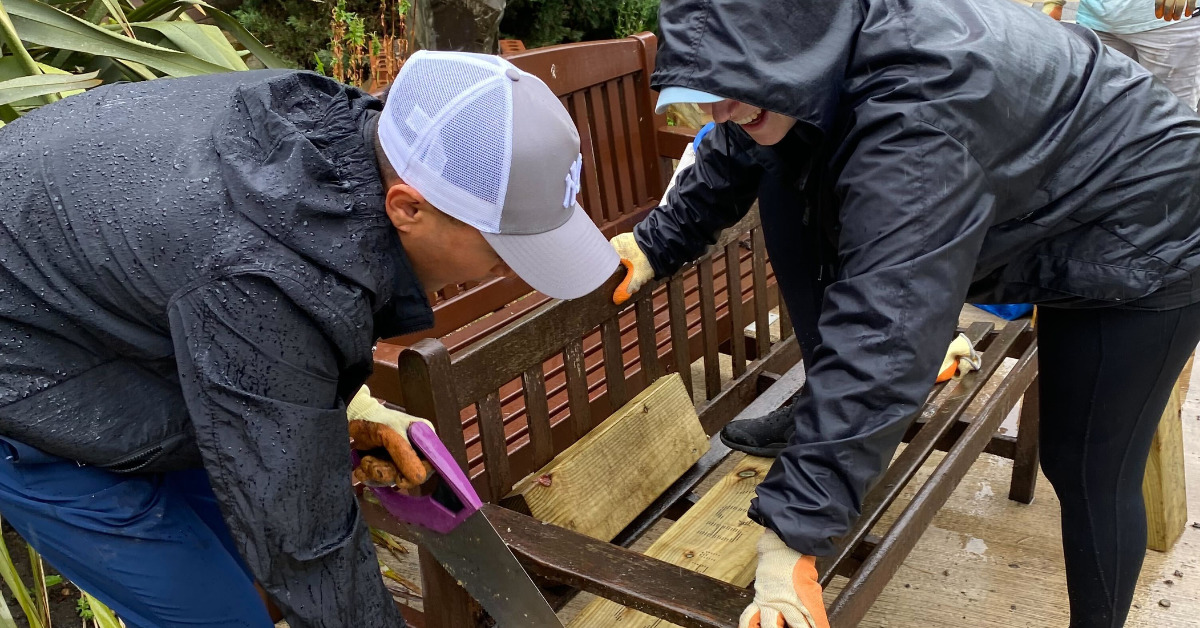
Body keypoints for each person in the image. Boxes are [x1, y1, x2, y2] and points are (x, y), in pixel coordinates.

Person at [610, 0, 1200, 626]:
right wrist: (657, 242)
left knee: (1086, 466)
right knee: (782, 172)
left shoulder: (917, 120)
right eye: (704, 92)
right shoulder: (811, 45)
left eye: (731, 88)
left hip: (1148, 227)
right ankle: (833, 402)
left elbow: (885, 324)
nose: (717, 110)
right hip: (1036, 187)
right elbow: (739, 138)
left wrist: (791, 539)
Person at [0, 51, 618, 627]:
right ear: (407, 208)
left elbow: (249, 305)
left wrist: (349, 404)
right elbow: (306, 545)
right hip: (34, 383)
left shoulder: (341, 139)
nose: (510, 270)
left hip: (106, 307)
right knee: (224, 616)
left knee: (247, 559)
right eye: (504, 249)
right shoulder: (265, 272)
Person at [1046, 0, 1200, 109]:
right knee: (1100, 108)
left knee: (1171, 112)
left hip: (1170, 21)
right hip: (1097, 17)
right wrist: (1053, 2)